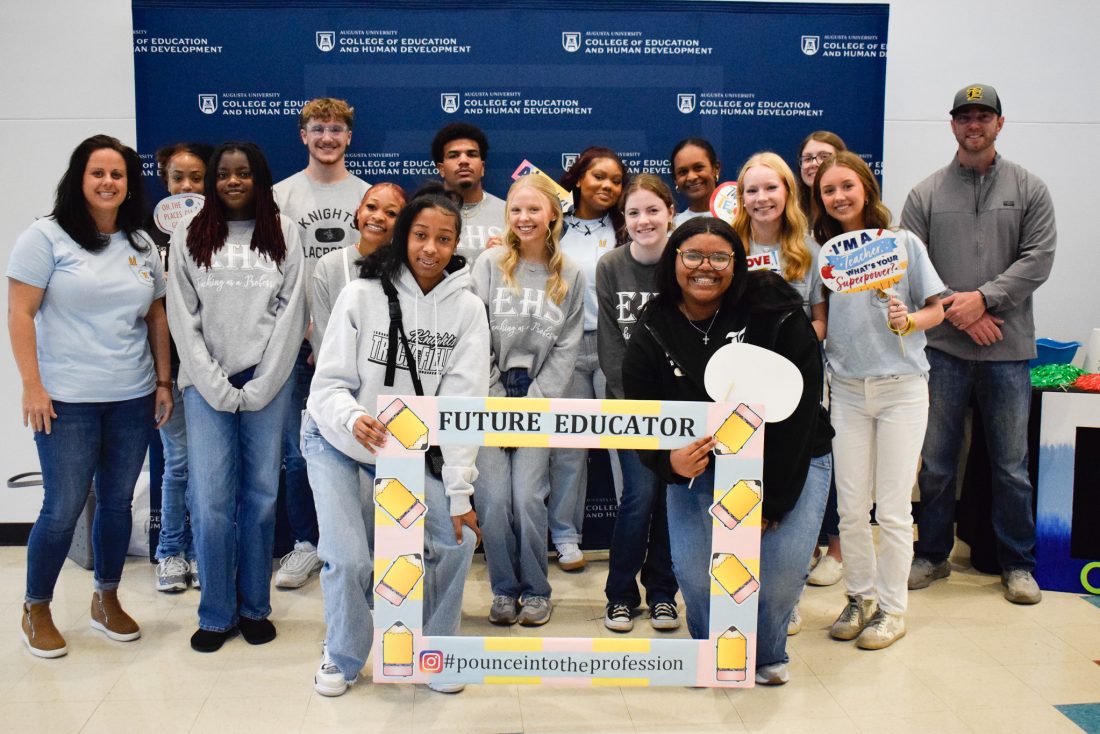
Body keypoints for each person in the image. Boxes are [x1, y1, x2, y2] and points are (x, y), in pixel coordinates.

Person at [622, 216, 832, 684]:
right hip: (700, 467)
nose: (706, 267)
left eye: (720, 257)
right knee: (698, 579)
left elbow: (800, 412)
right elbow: (637, 412)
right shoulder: (655, 322)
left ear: (737, 264)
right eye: (693, 255)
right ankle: (711, 653)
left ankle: (766, 653)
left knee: (774, 581)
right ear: (673, 260)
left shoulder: (772, 305)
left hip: (790, 458)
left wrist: (771, 502)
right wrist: (667, 461)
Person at [304, 189, 489, 696]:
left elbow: (463, 409)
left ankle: (437, 648)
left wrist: (458, 493)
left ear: (456, 244)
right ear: (404, 234)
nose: (430, 248)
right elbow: (328, 385)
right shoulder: (361, 293)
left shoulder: (469, 310)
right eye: (421, 235)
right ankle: (342, 654)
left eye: (443, 238)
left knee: (456, 540)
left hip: (408, 454)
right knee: (350, 558)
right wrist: (351, 417)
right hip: (337, 440)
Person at [8, 134, 172, 658]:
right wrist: (32, 386)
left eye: (118, 174)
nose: (108, 182)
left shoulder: (142, 245)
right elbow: (20, 314)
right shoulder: (45, 237)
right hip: (66, 400)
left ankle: (106, 599)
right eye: (97, 173)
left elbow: (156, 317)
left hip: (132, 396)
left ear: (129, 184)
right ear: (79, 179)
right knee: (62, 506)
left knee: (118, 503)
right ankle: (37, 606)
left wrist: (163, 382)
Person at [902, 84, 1056, 604]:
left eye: (983, 116)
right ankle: (932, 555)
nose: (974, 124)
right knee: (937, 461)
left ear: (999, 123)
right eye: (964, 117)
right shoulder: (925, 194)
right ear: (952, 126)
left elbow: (1037, 259)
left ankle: (1018, 564)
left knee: (1011, 465)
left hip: (1009, 351)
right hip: (943, 350)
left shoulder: (1029, 188)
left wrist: (983, 301)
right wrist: (960, 311)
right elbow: (909, 265)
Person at [168, 141, 307, 653]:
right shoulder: (189, 235)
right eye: (223, 174)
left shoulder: (285, 234)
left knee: (261, 498)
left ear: (259, 178)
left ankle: (254, 608)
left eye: (243, 173)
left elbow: (291, 315)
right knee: (209, 501)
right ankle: (216, 613)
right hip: (206, 387)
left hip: (266, 385)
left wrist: (263, 383)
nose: (232, 181)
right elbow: (183, 319)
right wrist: (215, 384)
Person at [812, 152, 945, 649]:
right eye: (829, 190)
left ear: (866, 187)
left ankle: (892, 609)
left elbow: (937, 311)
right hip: (845, 392)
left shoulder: (904, 243)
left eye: (847, 185)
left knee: (891, 510)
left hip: (901, 390)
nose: (839, 196)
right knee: (850, 510)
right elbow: (820, 319)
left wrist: (908, 320)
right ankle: (860, 596)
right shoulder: (825, 254)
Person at [472, 175, 584, 627]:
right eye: (516, 210)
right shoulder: (489, 264)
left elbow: (567, 345)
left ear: (553, 215)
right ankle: (503, 589)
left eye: (534, 210)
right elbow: (473, 336)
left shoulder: (571, 273)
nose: (524, 218)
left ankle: (536, 591)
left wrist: (536, 400)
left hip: (540, 399)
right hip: (489, 394)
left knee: (528, 500)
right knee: (494, 500)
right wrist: (495, 393)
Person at [273, 98, 370, 590]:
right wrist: (305, 335)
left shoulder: (369, 196)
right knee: (299, 452)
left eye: (336, 129)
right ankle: (307, 545)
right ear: (303, 135)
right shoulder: (281, 196)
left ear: (349, 137)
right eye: (318, 129)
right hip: (295, 345)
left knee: (360, 450)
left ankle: (360, 547)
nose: (327, 137)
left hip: (357, 349)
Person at [732, 151, 830, 634]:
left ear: (788, 192)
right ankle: (740, 593)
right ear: (740, 196)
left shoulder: (808, 250)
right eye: (752, 189)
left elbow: (820, 321)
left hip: (793, 391)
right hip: (736, 391)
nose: (761, 198)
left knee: (788, 489)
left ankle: (784, 598)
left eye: (771, 188)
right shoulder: (728, 245)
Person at [596, 173, 680, 633]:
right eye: (633, 213)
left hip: (682, 407)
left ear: (670, 212)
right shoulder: (610, 266)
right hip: (629, 407)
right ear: (623, 220)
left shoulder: (686, 258)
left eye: (652, 210)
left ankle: (664, 593)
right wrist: (636, 409)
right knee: (639, 495)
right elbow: (611, 348)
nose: (644, 220)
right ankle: (621, 595)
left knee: (672, 498)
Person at [550, 147, 628, 571]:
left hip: (616, 347)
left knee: (624, 445)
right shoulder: (553, 225)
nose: (607, 187)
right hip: (565, 347)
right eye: (599, 177)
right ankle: (565, 537)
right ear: (578, 178)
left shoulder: (626, 227)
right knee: (568, 448)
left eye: (615, 181)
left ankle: (632, 537)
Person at [149, 141, 213, 594]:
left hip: (214, 372)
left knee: (211, 470)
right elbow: (151, 317)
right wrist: (163, 380)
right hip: (169, 372)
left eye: (196, 178)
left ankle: (202, 552)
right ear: (164, 181)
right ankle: (171, 550)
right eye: (178, 178)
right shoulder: (146, 241)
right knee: (178, 465)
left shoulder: (225, 235)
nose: (187, 186)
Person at [794, 131, 848, 589]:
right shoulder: (798, 219)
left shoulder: (845, 214)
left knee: (828, 452)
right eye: (807, 158)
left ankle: (837, 548)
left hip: (841, 357)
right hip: (801, 357)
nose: (814, 165)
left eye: (823, 158)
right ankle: (807, 544)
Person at [310, 182, 407, 351]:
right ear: (358, 212)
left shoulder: (407, 269)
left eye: (391, 213)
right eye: (371, 207)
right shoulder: (329, 265)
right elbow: (323, 340)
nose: (378, 217)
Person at [431, 121, 505, 263]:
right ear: (441, 169)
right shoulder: (424, 213)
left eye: (472, 154)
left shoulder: (509, 213)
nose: (463, 160)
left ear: (482, 167)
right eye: (453, 155)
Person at [795, 131, 847, 219]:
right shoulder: (790, 211)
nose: (813, 163)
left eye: (824, 157)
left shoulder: (849, 206)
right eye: (807, 158)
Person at [670, 138, 721, 228]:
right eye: (683, 172)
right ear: (675, 179)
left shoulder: (742, 218)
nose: (691, 177)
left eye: (698, 168)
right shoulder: (672, 227)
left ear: (716, 169)